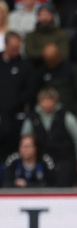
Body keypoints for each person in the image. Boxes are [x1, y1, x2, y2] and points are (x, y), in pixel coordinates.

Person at [21, 87, 77, 187]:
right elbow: (25, 139)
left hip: (64, 161)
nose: (47, 104)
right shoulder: (32, 118)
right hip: (41, 162)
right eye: (44, 101)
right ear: (39, 102)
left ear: (56, 101)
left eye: (50, 100)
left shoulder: (66, 116)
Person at [0, 32, 36, 162]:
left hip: (15, 117)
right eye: (13, 47)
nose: (16, 50)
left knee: (13, 152)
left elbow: (30, 90)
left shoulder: (25, 65)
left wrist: (15, 103)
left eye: (18, 47)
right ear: (6, 45)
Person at [25, 3, 70, 68]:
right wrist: (51, 53)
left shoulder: (61, 34)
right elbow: (29, 54)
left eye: (47, 14)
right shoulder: (31, 35)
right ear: (38, 17)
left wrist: (40, 54)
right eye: (41, 14)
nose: (44, 17)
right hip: (36, 68)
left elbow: (64, 54)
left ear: (52, 15)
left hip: (57, 69)